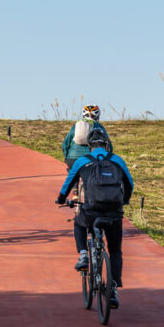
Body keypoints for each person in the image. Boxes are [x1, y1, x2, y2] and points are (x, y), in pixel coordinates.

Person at [55, 128, 134, 307]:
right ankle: (112, 289)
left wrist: (61, 198)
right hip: (114, 212)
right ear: (107, 144)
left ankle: (83, 255)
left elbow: (68, 183)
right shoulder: (117, 160)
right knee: (115, 250)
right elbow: (130, 183)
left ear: (89, 145)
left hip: (91, 211)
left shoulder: (83, 161)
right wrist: (125, 200)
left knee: (79, 224)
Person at [62, 105, 112, 169]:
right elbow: (109, 145)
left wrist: (66, 157)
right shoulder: (100, 127)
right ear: (97, 116)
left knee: (73, 176)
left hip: (72, 159)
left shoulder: (76, 126)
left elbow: (65, 143)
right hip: (90, 160)